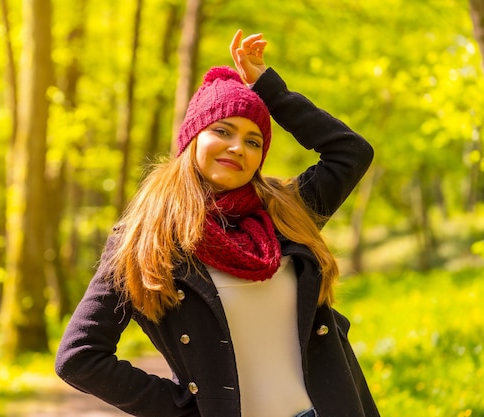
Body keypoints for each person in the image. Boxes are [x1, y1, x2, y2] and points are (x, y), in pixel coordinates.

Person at [55, 29, 380, 417]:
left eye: (253, 141)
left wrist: (269, 90)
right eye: (222, 131)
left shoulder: (287, 212)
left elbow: (351, 152)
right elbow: (79, 355)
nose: (237, 147)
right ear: (193, 138)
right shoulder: (146, 239)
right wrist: (185, 409)